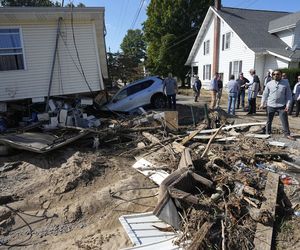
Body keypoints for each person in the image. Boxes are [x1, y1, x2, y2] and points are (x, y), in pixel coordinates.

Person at [260, 70, 295, 140]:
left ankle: (287, 134)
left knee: (284, 120)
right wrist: (262, 103)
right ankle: (268, 133)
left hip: (282, 106)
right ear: (272, 75)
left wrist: (288, 105)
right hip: (270, 105)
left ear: (281, 75)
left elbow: (289, 95)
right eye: (274, 74)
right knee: (269, 120)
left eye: (278, 74)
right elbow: (265, 94)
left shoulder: (285, 83)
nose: (276, 75)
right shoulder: (269, 83)